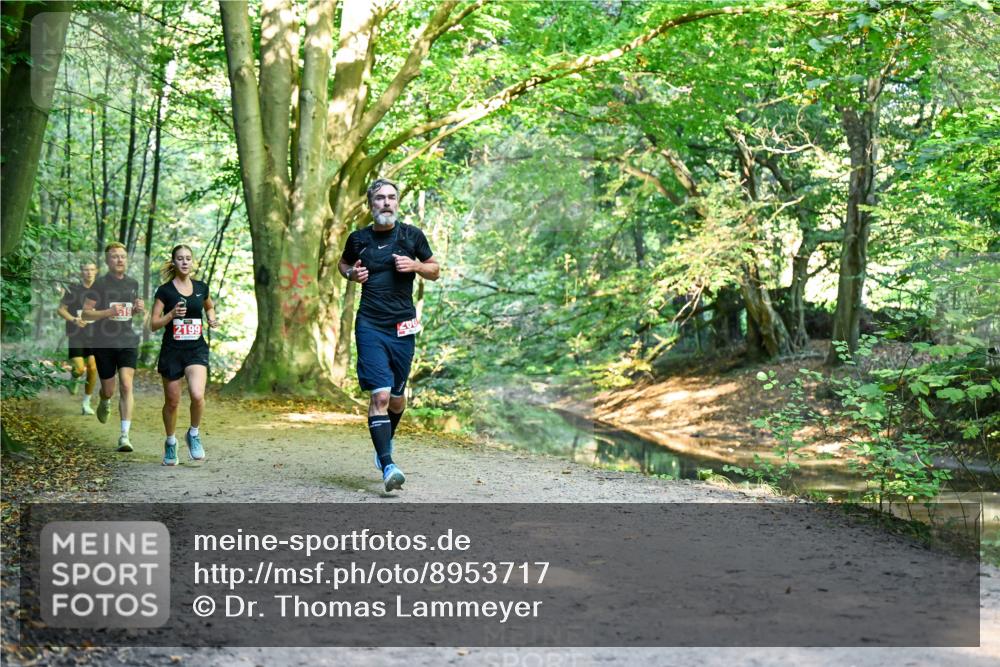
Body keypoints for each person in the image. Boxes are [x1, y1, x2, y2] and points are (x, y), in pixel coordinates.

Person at [338, 178, 440, 492]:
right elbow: (342, 265)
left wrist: (416, 266)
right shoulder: (359, 239)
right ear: (370, 204)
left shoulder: (412, 236)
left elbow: (435, 269)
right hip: (370, 323)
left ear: (397, 202)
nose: (386, 203)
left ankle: (385, 441)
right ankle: (388, 463)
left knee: (397, 400)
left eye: (391, 198)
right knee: (379, 396)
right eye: (380, 198)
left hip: (403, 326)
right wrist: (352, 274)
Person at [148, 244, 218, 466]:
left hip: (196, 349)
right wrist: (170, 315)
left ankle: (194, 434)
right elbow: (153, 324)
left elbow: (209, 306)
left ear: (192, 262)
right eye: (180, 258)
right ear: (174, 262)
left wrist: (212, 318)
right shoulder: (165, 291)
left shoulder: (201, 287)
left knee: (197, 395)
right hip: (172, 351)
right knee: (172, 402)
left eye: (188, 258)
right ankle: (170, 442)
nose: (185, 262)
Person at [82, 242, 145, 452]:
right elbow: (86, 313)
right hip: (104, 343)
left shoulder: (133, 283)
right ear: (108, 261)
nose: (119, 260)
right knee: (109, 390)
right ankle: (104, 399)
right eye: (115, 257)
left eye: (122, 257)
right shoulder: (98, 285)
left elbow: (129, 312)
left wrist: (137, 309)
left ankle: (124, 436)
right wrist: (107, 313)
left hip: (127, 340)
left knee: (127, 385)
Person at [56, 261, 99, 414]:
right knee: (80, 369)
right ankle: (74, 377)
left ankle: (86, 404)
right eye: (86, 269)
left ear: (96, 271)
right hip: (76, 333)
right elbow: (61, 310)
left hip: (96, 334)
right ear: (81, 272)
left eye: (92, 269)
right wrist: (74, 319)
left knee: (93, 367)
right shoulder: (73, 289)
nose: (89, 272)